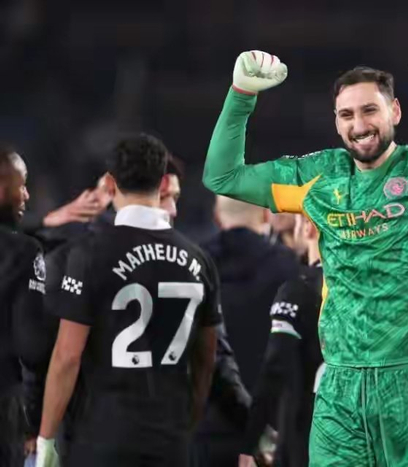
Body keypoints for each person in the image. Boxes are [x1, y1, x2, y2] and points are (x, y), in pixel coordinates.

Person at [203, 41, 408, 465]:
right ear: (336, 123)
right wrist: (242, 95)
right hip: (341, 388)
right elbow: (222, 176)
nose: (359, 125)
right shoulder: (318, 178)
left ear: (395, 111)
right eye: (346, 115)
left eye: (370, 110)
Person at [35, 134, 221, 467]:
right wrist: (187, 423)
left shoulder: (87, 255)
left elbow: (67, 356)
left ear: (110, 183)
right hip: (171, 442)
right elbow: (206, 359)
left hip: (103, 439)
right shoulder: (200, 260)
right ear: (162, 183)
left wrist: (46, 438)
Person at [194, 196, 299, 467]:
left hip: (204, 432)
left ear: (217, 216)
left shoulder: (191, 267)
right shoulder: (290, 269)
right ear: (266, 215)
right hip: (270, 435)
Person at [240, 214, 324, 467]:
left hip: (305, 440)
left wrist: (249, 441)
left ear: (309, 227)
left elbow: (275, 366)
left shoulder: (299, 289)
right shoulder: (371, 293)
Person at [0, 144, 47, 467]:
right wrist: (35, 419)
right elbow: (33, 346)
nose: (26, 195)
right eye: (23, 184)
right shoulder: (22, 252)